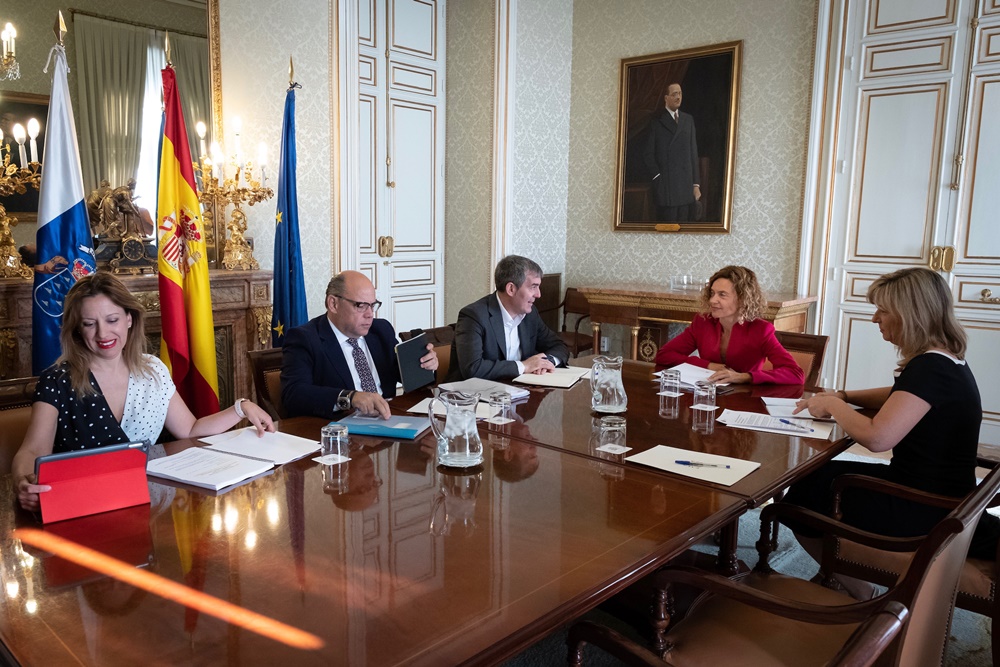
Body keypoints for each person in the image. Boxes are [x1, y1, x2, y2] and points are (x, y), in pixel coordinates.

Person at [785, 267, 998, 568]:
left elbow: (877, 438)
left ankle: (854, 586)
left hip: (923, 505)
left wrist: (832, 405)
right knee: (816, 476)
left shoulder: (929, 368)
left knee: (799, 499)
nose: (875, 319)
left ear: (910, 315)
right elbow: (901, 395)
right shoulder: (944, 360)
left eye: (882, 311)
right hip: (940, 492)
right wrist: (845, 395)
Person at [13, 273, 274, 512]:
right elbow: (32, 450)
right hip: (80, 504)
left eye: (112, 320)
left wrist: (242, 408)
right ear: (77, 329)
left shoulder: (153, 370)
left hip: (142, 501)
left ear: (129, 319)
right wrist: (23, 482)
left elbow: (190, 429)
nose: (103, 333)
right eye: (90, 324)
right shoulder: (57, 380)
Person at [281, 270, 438, 420]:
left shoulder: (381, 330)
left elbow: (404, 375)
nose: (370, 314)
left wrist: (425, 364)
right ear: (333, 304)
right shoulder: (305, 338)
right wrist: (350, 397)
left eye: (372, 305)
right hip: (340, 427)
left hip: (389, 418)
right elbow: (293, 394)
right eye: (360, 306)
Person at [654, 265, 804, 384]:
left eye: (722, 295)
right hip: (708, 394)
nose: (713, 300)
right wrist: (708, 365)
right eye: (712, 293)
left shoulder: (760, 330)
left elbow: (795, 374)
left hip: (745, 399)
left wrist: (744, 377)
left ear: (743, 299)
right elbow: (664, 355)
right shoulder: (703, 322)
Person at [448, 255, 569, 382]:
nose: (538, 294)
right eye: (533, 287)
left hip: (517, 388)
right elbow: (473, 369)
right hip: (471, 392)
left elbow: (559, 346)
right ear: (511, 289)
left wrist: (546, 362)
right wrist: (524, 366)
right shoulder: (473, 316)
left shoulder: (530, 314)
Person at [642, 83, 701, 222]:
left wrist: (696, 185)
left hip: (686, 187)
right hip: (667, 187)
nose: (678, 97)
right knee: (668, 228)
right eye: (674, 94)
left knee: (684, 229)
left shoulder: (688, 120)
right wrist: (657, 177)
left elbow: (693, 154)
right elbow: (648, 154)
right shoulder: (656, 121)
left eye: (680, 93)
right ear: (666, 98)